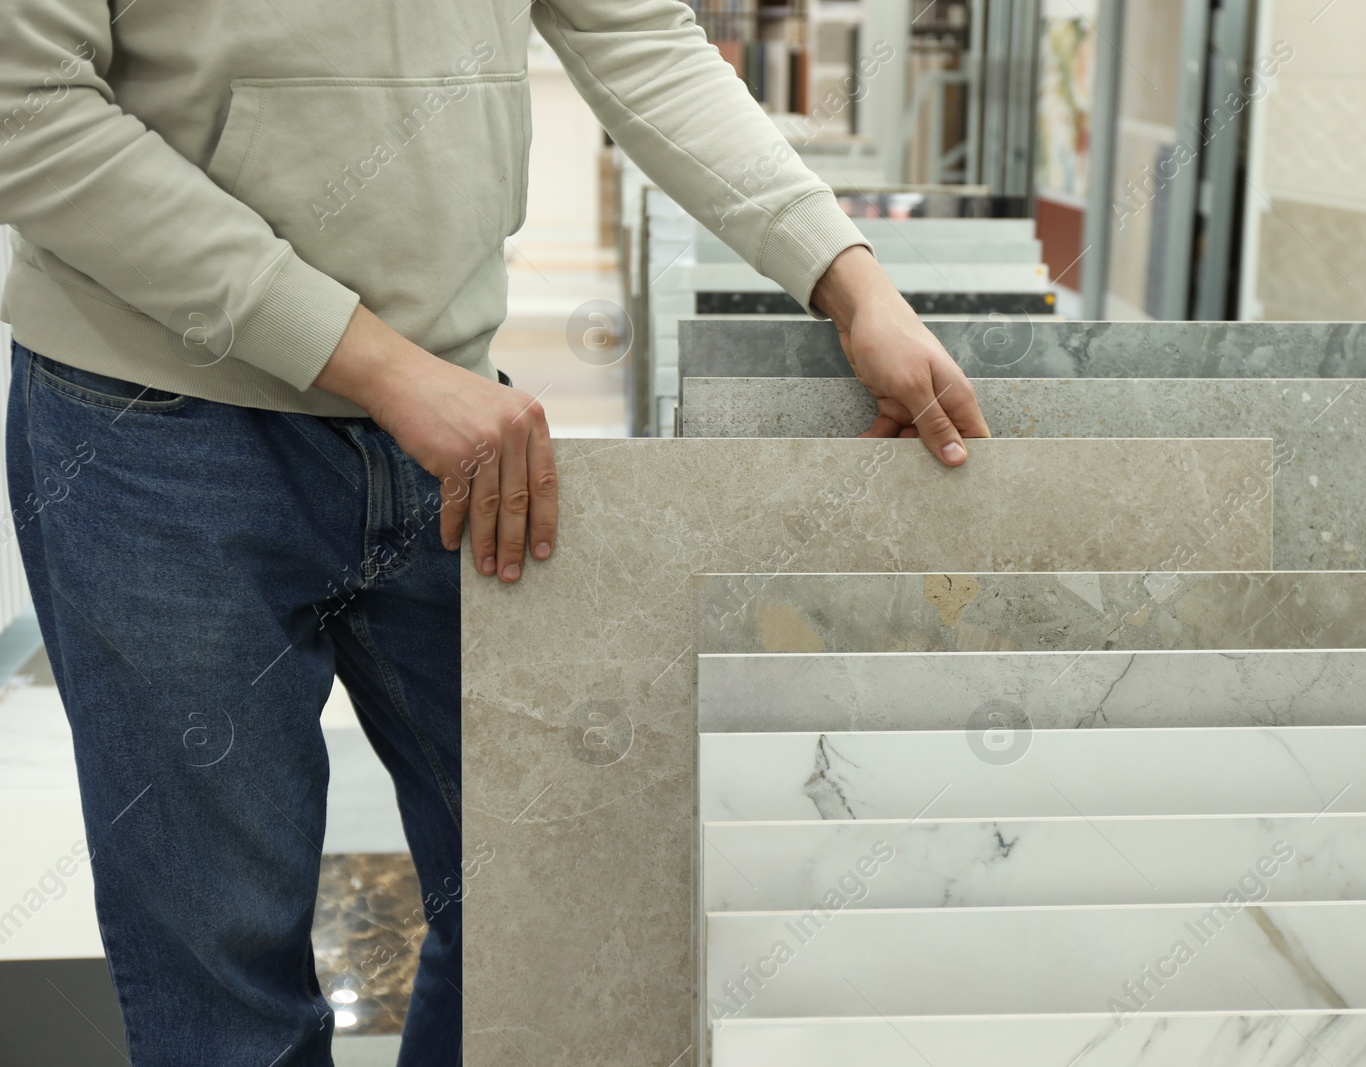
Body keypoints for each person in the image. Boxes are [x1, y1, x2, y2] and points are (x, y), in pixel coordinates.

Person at [0, 0, 989, 1063]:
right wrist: (372, 361)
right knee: (223, 975)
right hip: (155, 429)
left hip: (455, 424)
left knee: (548, 910)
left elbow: (638, 33)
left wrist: (847, 277)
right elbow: (28, 103)